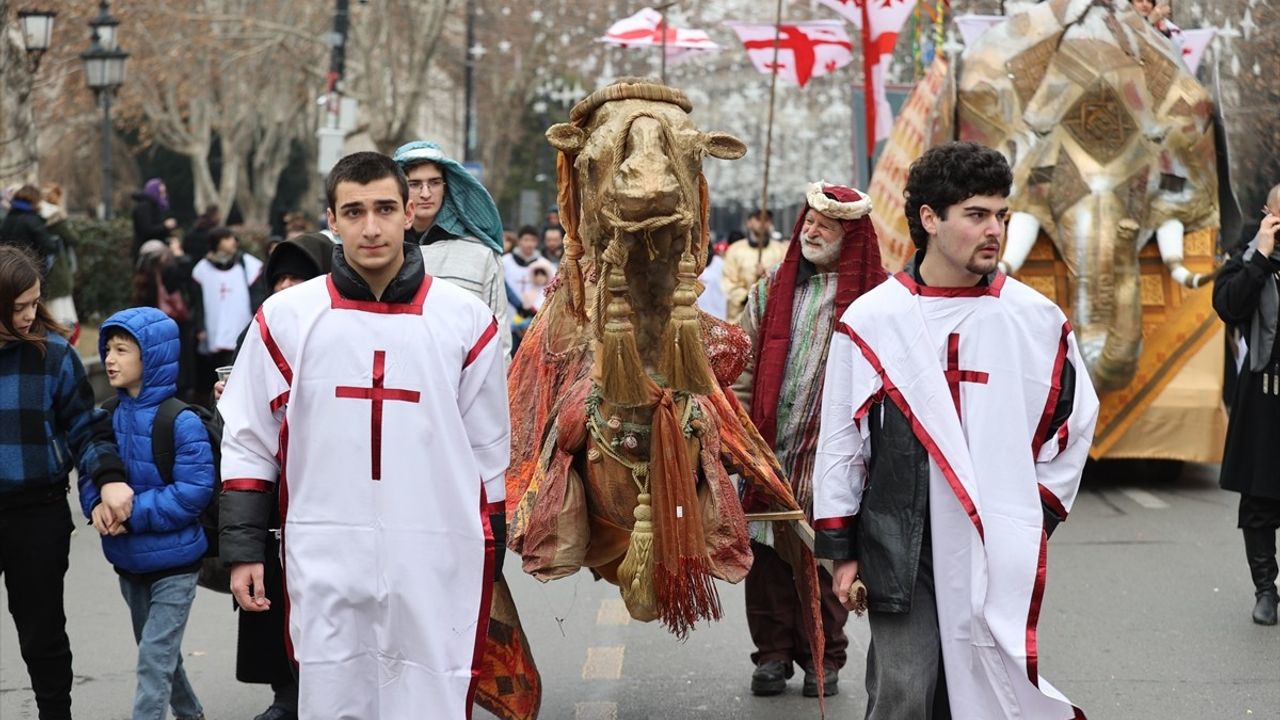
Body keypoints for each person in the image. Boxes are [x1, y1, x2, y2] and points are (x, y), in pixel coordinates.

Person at [218, 151, 510, 718]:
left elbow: (489, 450)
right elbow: (249, 439)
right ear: (332, 218)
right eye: (354, 211)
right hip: (324, 554)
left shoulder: (466, 321)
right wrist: (244, 550)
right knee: (333, 696)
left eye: (384, 208)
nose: (371, 227)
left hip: (434, 554)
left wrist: (489, 553)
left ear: (409, 215)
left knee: (430, 694)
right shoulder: (286, 319)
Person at [813, 142, 1099, 719]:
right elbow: (842, 442)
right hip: (900, 538)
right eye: (976, 214)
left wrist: (1030, 514)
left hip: (992, 543)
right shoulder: (873, 320)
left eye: (1001, 215)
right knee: (903, 692)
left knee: (989, 691)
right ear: (929, 219)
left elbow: (1074, 423)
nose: (994, 229)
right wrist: (840, 548)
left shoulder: (1036, 320)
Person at [734, 182, 886, 698]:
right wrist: (739, 433)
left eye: (826, 225)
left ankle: (824, 659)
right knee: (769, 561)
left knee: (827, 563)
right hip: (772, 453)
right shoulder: (769, 291)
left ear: (853, 235)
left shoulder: (879, 301)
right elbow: (742, 369)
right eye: (809, 221)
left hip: (839, 458)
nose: (811, 231)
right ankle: (772, 657)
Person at [0, 245, 128, 720]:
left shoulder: (54, 354)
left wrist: (109, 478)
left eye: (35, 302)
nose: (30, 315)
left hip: (38, 510)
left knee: (42, 632)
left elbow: (86, 425)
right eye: (18, 307)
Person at [83, 307, 215, 720]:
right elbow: (93, 468)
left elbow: (192, 493)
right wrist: (97, 505)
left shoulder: (181, 421)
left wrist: (131, 512)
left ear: (151, 357)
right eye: (108, 349)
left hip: (175, 564)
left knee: (153, 658)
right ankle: (191, 714)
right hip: (128, 560)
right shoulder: (107, 416)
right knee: (159, 654)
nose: (109, 358)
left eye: (122, 350)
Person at [1211, 182, 1280, 626]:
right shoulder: (1248, 263)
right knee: (1259, 500)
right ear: (1268, 214)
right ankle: (1265, 590)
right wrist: (1261, 255)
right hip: (1264, 398)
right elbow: (1230, 308)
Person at [392, 141, 511, 356]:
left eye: (434, 182)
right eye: (415, 184)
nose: (426, 193)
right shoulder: (379, 251)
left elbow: (498, 338)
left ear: (446, 187)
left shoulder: (480, 253)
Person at [190, 227, 263, 402]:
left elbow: (258, 294)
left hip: (241, 321)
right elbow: (197, 302)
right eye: (227, 238)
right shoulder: (201, 269)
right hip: (214, 325)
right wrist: (199, 326)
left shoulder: (247, 264)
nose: (233, 242)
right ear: (217, 243)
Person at [722, 209, 787, 323]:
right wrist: (749, 298)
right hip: (739, 318)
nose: (762, 223)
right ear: (749, 222)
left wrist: (765, 277)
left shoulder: (781, 250)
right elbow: (728, 281)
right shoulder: (735, 250)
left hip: (770, 317)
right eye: (758, 219)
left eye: (766, 220)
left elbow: (785, 280)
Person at [39, 184, 80, 344]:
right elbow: (73, 239)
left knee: (51, 309)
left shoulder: (37, 216)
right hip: (58, 269)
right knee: (63, 310)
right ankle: (66, 341)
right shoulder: (56, 217)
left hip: (45, 268)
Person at [0, 184, 57, 265]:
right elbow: (48, 247)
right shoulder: (32, 220)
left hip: (9, 266)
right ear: (35, 200)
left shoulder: (8, 218)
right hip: (30, 267)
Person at [131, 178, 178, 260]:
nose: (164, 195)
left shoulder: (156, 208)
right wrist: (165, 226)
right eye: (161, 193)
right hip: (147, 252)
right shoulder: (144, 207)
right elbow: (146, 230)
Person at [503, 225, 544, 301]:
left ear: (537, 242)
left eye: (533, 240)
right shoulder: (505, 261)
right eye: (526, 240)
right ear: (519, 241)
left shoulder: (544, 264)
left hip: (535, 310)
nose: (529, 244)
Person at [697, 235, 732, 320]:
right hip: (694, 318)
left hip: (717, 317)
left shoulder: (720, 264)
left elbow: (729, 290)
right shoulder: (689, 265)